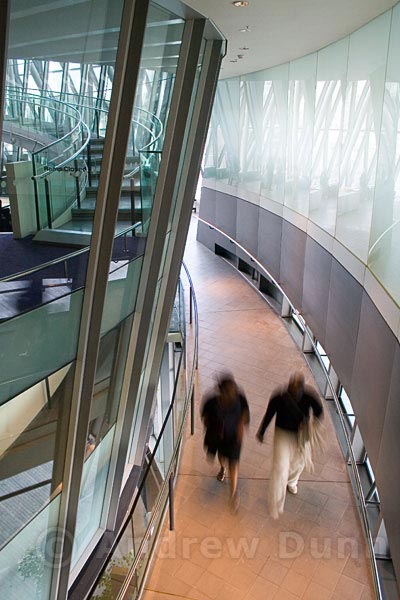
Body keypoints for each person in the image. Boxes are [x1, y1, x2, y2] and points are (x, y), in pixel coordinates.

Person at [256, 371, 323, 519]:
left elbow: (319, 411)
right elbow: (269, 414)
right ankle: (275, 503)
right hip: (283, 433)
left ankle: (292, 481)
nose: (295, 395)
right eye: (292, 392)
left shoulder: (310, 396)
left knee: (299, 463)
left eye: (297, 392)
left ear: (302, 389)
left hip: (301, 435)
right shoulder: (279, 397)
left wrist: (312, 425)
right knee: (280, 467)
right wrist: (262, 431)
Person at [201, 374, 250, 511]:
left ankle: (233, 494)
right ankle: (223, 468)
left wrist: (241, 425)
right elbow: (205, 418)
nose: (230, 395)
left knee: (234, 462)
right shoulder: (211, 402)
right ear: (221, 391)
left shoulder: (240, 398)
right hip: (219, 437)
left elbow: (245, 413)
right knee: (222, 457)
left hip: (234, 438)